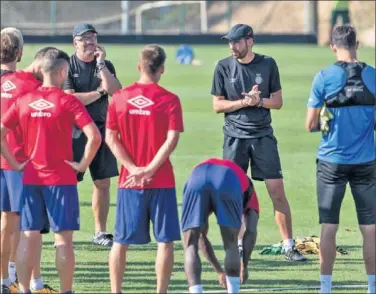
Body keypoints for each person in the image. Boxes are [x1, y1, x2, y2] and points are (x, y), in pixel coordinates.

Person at [0, 47, 101, 293]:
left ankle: (23, 289)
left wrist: (14, 163)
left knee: (29, 236)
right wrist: (83, 164)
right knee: (63, 240)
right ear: (63, 71)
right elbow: (94, 136)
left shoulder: (24, 100)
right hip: (61, 179)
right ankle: (66, 291)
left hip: (30, 177)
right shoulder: (67, 101)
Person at [211, 23, 306, 261]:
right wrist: (244, 103)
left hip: (263, 136)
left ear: (250, 41)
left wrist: (258, 101)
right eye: (230, 42)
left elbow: (278, 101)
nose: (232, 46)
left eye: (237, 42)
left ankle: (288, 245)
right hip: (234, 138)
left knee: (277, 192)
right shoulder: (222, 66)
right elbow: (217, 105)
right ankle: (239, 246)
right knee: (234, 194)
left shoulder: (268, 63)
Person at [106, 44, 183, 293]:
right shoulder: (170, 100)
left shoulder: (119, 98)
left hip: (129, 182)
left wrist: (132, 169)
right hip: (161, 180)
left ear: (139, 66)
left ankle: (116, 291)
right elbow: (171, 140)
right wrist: (149, 169)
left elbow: (110, 138)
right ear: (162, 69)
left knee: (120, 241)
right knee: (165, 241)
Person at [306, 24, 375, 294]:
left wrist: (325, 117)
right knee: (370, 228)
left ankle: (325, 288)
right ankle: (372, 287)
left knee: (329, 225)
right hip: (367, 161)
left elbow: (310, 124)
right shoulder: (374, 76)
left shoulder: (324, 77)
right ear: (357, 44)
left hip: (331, 162)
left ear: (333, 47)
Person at [0, 28, 59, 294]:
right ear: (20, 52)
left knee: (7, 221)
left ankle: (5, 280)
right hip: (20, 162)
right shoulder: (28, 84)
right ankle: (32, 283)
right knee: (30, 227)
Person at [63, 23, 122, 247]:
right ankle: (66, 228)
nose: (90, 42)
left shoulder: (105, 65)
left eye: (93, 38)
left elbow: (116, 92)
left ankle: (100, 232)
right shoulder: (67, 64)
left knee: (103, 182)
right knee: (70, 181)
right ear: (75, 42)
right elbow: (70, 100)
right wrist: (99, 92)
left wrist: (101, 65)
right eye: (84, 38)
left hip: (102, 127)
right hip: (74, 130)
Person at [181, 158, 259, 293]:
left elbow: (201, 236)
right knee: (231, 244)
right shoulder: (250, 192)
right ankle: (233, 290)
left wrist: (219, 271)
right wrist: (244, 265)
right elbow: (251, 230)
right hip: (227, 178)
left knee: (190, 244)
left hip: (196, 176)